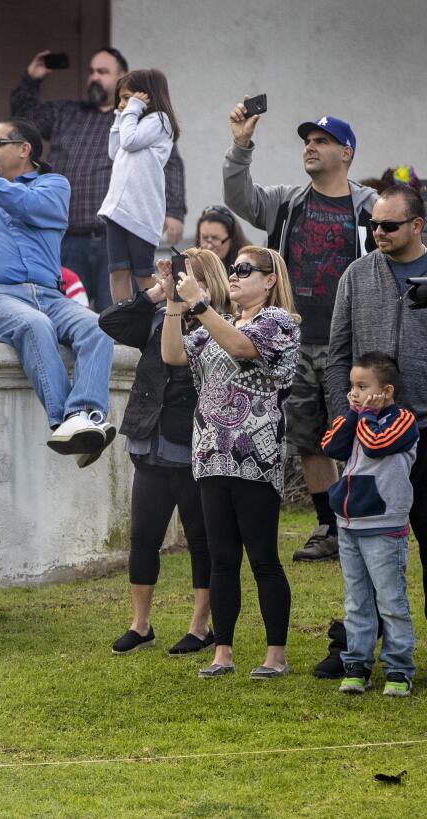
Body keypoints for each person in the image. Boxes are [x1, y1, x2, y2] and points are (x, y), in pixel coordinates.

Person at [223, 105, 377, 562]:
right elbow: (240, 198)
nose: (310, 146)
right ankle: (328, 527)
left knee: (359, 431)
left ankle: (364, 521)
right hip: (296, 338)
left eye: (322, 141)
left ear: (346, 152)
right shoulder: (288, 200)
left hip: (349, 340)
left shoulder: (368, 206)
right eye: (307, 141)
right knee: (310, 439)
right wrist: (240, 145)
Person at [160, 245, 300, 679]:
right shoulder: (214, 324)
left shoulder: (278, 322)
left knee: (262, 558)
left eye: (244, 270)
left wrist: (200, 305)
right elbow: (173, 355)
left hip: (255, 456)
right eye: (232, 269)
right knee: (221, 559)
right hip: (211, 455)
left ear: (270, 279)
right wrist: (171, 300)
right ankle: (223, 652)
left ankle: (275, 655)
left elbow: (241, 347)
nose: (234, 276)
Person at [0, 119, 116, 466]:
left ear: (25, 150)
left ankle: (84, 416)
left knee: (98, 326)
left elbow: (23, 204)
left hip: (50, 295)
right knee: (35, 324)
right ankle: (68, 423)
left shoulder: (53, 186)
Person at [317, 183, 427, 677]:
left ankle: (405, 659)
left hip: (425, 432)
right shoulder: (357, 275)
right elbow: (337, 354)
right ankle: (356, 652)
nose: (377, 233)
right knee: (364, 552)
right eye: (372, 225)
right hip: (369, 445)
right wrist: (350, 416)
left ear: (418, 226)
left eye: (388, 225)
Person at [99, 248, 231, 656]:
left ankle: (200, 625)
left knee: (200, 539)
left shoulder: (221, 323)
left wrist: (195, 301)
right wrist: (157, 293)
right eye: (180, 276)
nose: (182, 284)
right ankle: (141, 624)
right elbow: (110, 322)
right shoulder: (160, 313)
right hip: (149, 438)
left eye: (192, 277)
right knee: (143, 538)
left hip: (191, 444)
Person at [11, 47, 186, 310]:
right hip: (68, 235)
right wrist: (32, 79)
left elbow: (169, 164)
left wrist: (174, 210)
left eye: (103, 72)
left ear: (122, 76)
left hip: (113, 229)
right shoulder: (67, 113)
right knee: (66, 310)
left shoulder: (145, 122)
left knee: (116, 301)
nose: (94, 77)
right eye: (92, 71)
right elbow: (23, 119)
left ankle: (138, 337)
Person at [321, 353, 419, 697]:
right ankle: (357, 664)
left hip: (383, 525)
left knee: (391, 601)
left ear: (386, 391)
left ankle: (398, 667)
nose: (354, 393)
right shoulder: (356, 417)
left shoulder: (403, 420)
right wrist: (353, 412)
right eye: (351, 386)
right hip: (349, 525)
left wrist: (365, 414)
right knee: (357, 601)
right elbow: (331, 445)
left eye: (362, 387)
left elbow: (377, 445)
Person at [99, 69, 179, 303]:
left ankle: (161, 321)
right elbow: (115, 150)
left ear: (148, 96)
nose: (123, 104)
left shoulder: (160, 120)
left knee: (142, 274)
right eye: (121, 99)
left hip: (141, 212)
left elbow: (130, 141)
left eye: (127, 98)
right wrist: (120, 116)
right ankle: (122, 324)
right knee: (117, 271)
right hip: (118, 211)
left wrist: (131, 110)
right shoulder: (130, 121)